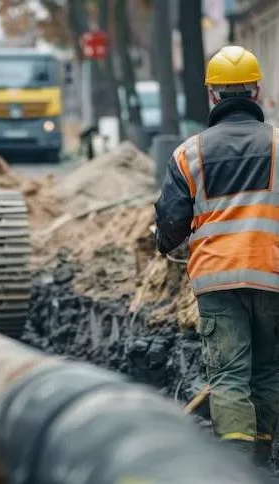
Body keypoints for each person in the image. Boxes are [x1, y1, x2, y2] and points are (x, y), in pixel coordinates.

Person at [154, 45, 279, 468]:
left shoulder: (189, 153)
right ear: (257, 90)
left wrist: (162, 241)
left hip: (218, 280)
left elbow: (170, 222)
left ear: (213, 95)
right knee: (266, 371)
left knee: (228, 376)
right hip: (272, 275)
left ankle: (236, 467)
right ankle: (260, 459)